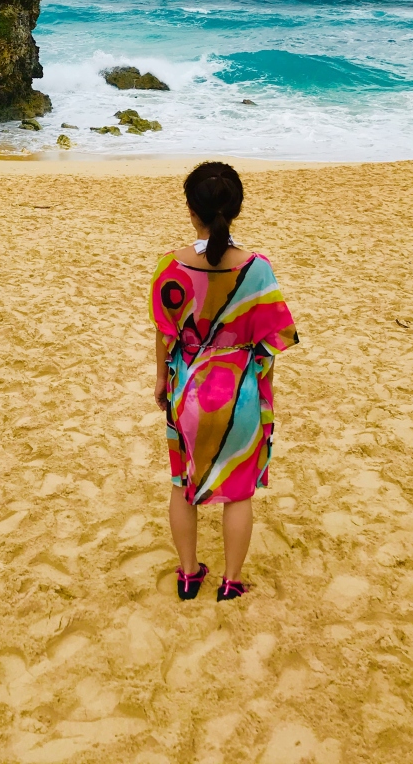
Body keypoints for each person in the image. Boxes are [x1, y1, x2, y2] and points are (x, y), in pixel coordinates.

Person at [149, 161, 298, 601]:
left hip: (188, 391)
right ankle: (231, 583)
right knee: (238, 492)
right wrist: (257, 386)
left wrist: (161, 379)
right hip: (241, 391)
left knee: (183, 485)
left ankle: (189, 574)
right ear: (235, 209)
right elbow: (274, 341)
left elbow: (164, 332)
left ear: (191, 210)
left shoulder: (170, 268)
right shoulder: (257, 270)